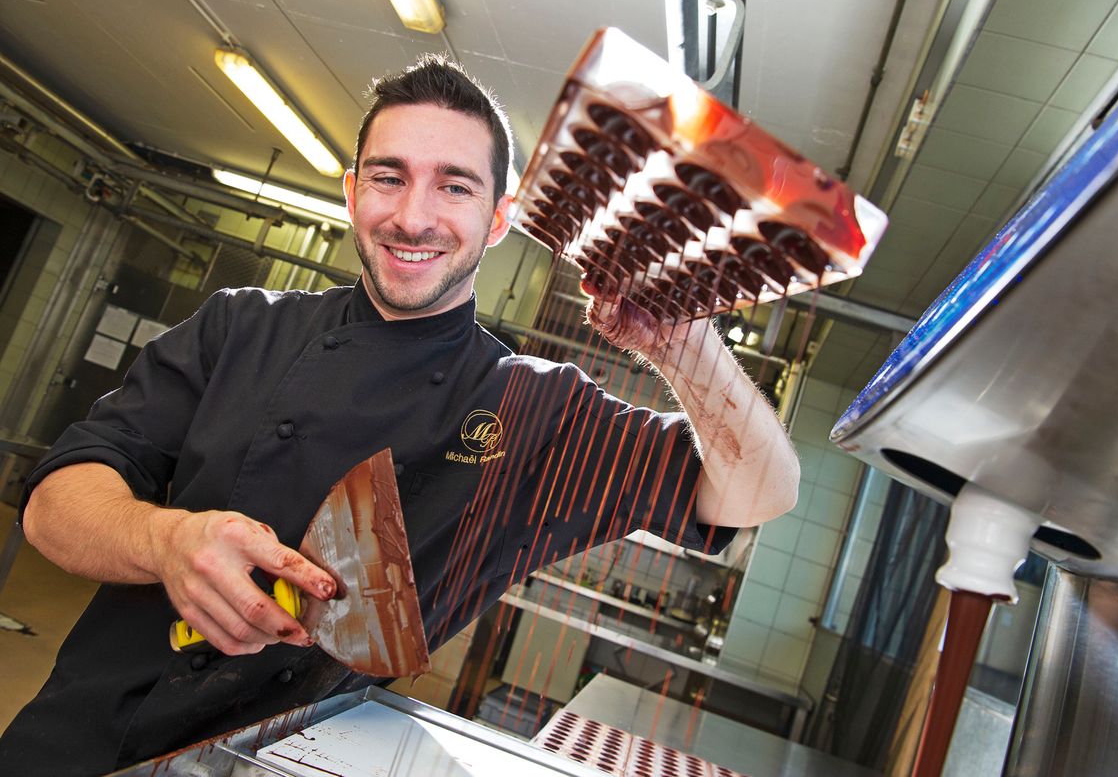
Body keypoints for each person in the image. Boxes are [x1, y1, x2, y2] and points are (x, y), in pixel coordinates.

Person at [0, 55, 800, 774]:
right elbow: (52, 509)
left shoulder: (535, 408)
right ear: (352, 193)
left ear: (498, 218)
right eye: (389, 177)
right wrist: (165, 540)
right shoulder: (238, 325)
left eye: (454, 185)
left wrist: (682, 347)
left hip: (290, 763)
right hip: (77, 740)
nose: (414, 217)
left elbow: (755, 496)